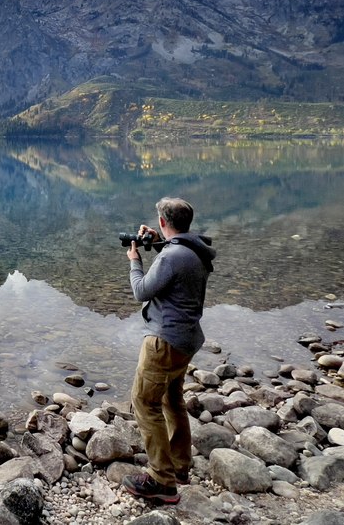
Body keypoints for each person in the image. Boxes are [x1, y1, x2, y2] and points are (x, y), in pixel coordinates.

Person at [121, 197, 216, 505]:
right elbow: (175, 263)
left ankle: (162, 480)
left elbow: (140, 291)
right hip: (187, 341)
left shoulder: (172, 257)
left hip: (163, 342)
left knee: (144, 402)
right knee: (171, 399)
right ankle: (179, 466)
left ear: (163, 221)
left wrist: (135, 260)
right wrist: (161, 241)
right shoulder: (196, 251)